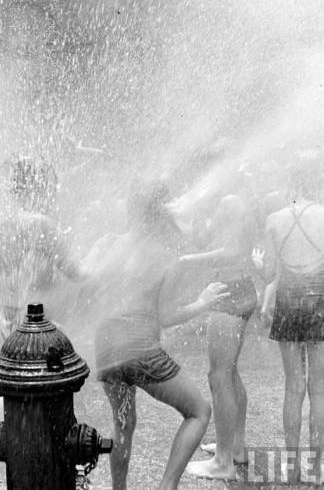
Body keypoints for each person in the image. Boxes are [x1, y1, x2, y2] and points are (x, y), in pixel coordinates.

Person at [85, 177, 229, 490]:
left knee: (123, 426)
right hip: (142, 354)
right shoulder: (166, 258)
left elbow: (88, 288)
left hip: (107, 349)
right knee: (199, 412)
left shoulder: (107, 243)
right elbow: (166, 317)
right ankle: (167, 487)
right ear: (162, 211)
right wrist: (202, 302)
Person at [183, 194, 258, 480]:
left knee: (218, 376)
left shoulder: (230, 201)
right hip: (240, 287)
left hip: (229, 291)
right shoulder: (233, 204)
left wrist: (190, 259)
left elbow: (233, 250)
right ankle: (235, 447)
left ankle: (223, 461)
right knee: (230, 372)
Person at [263, 158, 324, 483]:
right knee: (319, 390)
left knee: (293, 387)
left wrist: (269, 295)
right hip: (320, 302)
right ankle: (315, 469)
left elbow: (270, 270)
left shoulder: (274, 219)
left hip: (288, 301)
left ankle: (291, 468)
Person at [0, 155, 85, 334]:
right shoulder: (44, 225)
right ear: (41, 189)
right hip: (36, 327)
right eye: (52, 189)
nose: (55, 197)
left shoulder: (1, 229)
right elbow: (75, 273)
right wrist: (106, 269)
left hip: (6, 323)